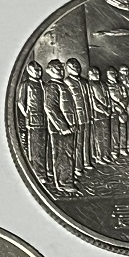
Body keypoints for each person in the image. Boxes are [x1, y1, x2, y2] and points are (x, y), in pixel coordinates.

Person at [43, 59, 79, 194]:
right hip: (60, 129)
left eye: (61, 68)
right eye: (57, 68)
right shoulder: (52, 86)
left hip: (69, 126)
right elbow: (50, 108)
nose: (60, 70)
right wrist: (63, 127)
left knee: (68, 153)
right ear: (49, 70)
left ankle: (67, 178)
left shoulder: (62, 85)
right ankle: (63, 183)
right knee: (62, 155)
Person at [17, 61, 48, 184]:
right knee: (36, 147)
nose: (38, 72)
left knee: (44, 146)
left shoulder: (43, 84)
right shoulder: (26, 84)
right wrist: (27, 115)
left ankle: (46, 170)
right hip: (33, 121)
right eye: (35, 70)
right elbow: (20, 102)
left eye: (39, 70)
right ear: (29, 71)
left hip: (45, 119)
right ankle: (38, 173)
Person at [64, 58, 92, 174]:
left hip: (86, 115)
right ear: (68, 68)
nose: (76, 68)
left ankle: (86, 162)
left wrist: (91, 113)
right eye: (73, 66)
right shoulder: (67, 82)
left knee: (86, 140)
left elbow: (89, 98)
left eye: (77, 66)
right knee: (78, 142)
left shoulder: (84, 81)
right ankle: (77, 166)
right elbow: (67, 103)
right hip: (76, 117)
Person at [87, 67, 111, 163]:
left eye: (97, 73)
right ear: (89, 75)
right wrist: (103, 110)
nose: (96, 75)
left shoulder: (103, 84)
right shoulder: (90, 85)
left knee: (106, 135)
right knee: (99, 136)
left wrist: (109, 108)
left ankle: (106, 154)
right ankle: (99, 156)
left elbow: (108, 97)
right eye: (94, 73)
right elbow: (93, 100)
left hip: (106, 114)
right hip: (97, 114)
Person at [106, 67, 128, 160]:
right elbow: (108, 99)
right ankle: (115, 150)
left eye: (115, 73)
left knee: (123, 129)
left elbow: (125, 96)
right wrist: (117, 107)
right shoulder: (106, 86)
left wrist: (123, 106)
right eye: (111, 73)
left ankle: (123, 147)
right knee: (114, 131)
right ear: (107, 74)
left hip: (122, 110)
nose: (114, 74)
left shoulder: (121, 85)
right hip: (114, 111)